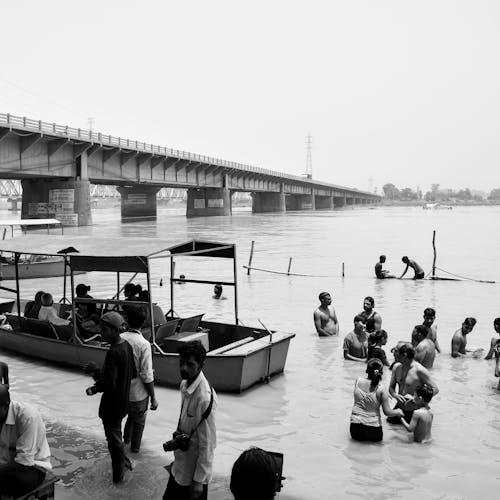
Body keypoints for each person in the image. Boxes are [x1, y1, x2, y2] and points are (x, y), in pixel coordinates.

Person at [85, 311, 136, 484]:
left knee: (114, 442)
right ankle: (126, 464)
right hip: (123, 403)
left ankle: (118, 480)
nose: (101, 332)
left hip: (112, 406)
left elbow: (109, 384)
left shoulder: (114, 351)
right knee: (117, 437)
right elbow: (132, 373)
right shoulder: (127, 346)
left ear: (115, 331)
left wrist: (95, 371)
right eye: (101, 328)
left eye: (105, 329)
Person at [163, 340, 217, 500]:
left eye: (190, 364)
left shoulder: (204, 398)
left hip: (193, 474)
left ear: (201, 365)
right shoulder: (184, 385)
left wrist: (199, 481)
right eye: (181, 363)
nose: (183, 368)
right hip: (180, 465)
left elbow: (209, 443)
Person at [0, 385, 52, 498]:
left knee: (15, 480)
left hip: (31, 467)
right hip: (6, 462)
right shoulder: (2, 414)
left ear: (6, 405)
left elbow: (24, 462)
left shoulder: (28, 417)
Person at [121, 306, 159, 453]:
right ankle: (135, 450)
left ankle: (126, 442)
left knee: (131, 417)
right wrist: (153, 397)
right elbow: (147, 375)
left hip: (122, 393)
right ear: (143, 323)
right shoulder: (143, 344)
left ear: (126, 320)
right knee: (139, 422)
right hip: (137, 395)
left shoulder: (120, 339)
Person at [350, 359, 404, 442]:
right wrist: (398, 411)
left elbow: (367, 394)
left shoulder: (358, 381)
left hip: (355, 425)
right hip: (373, 428)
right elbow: (387, 412)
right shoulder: (382, 389)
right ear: (381, 373)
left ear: (366, 370)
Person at [388, 344, 439, 423]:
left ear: (404, 355)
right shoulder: (396, 367)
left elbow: (435, 389)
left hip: (414, 411)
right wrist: (395, 395)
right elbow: (391, 388)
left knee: (410, 434)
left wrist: (416, 399)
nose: (394, 354)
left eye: (396, 352)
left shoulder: (420, 370)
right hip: (399, 409)